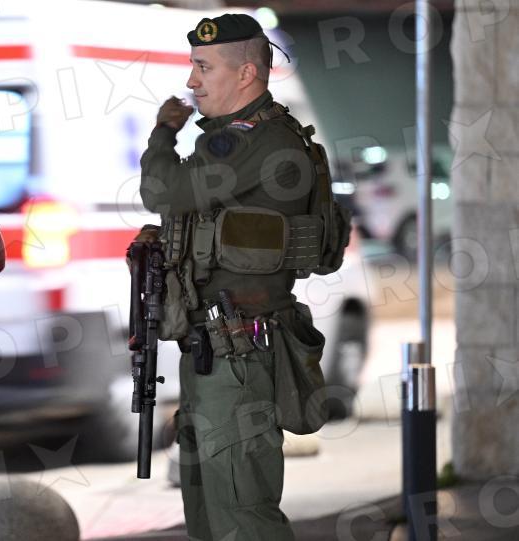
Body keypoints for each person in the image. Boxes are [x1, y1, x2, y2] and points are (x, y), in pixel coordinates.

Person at [137, 13, 320, 541]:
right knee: (208, 515)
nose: (192, 81)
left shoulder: (256, 141)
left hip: (238, 354)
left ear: (246, 73)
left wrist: (162, 133)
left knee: (242, 516)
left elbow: (162, 189)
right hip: (216, 351)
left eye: (204, 67)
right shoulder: (234, 140)